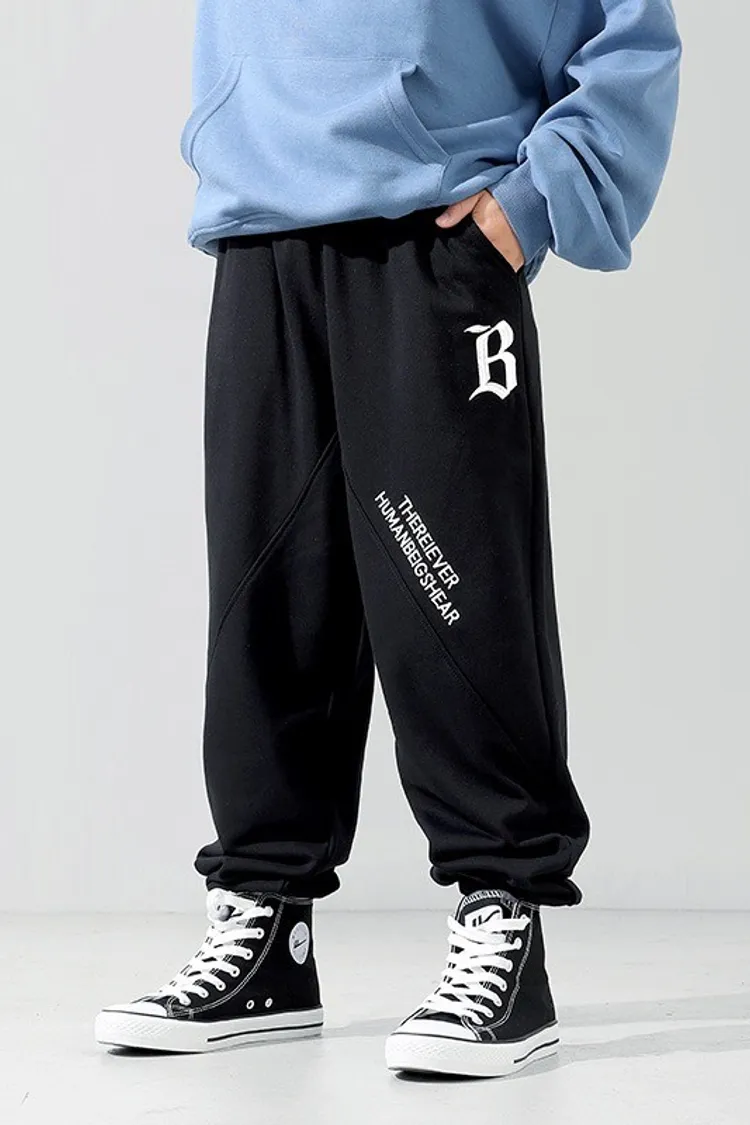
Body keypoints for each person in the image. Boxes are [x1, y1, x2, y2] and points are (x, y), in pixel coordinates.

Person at [95, 0, 681, 1078]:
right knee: (269, 598)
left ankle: (506, 916)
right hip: (261, 222)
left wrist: (538, 197)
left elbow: (630, 30)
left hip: (435, 232)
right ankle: (269, 926)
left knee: (452, 594)